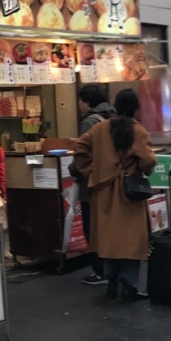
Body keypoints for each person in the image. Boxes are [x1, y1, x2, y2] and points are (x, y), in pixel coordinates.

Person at [72, 89, 156, 302]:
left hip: (103, 190)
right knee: (131, 241)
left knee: (108, 240)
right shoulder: (138, 131)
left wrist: (90, 171)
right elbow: (148, 161)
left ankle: (111, 282)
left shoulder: (99, 128)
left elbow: (79, 148)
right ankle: (130, 285)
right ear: (135, 108)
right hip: (129, 192)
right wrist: (137, 168)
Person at [71, 84, 114, 285]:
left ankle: (100, 271)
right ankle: (112, 269)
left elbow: (83, 153)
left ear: (86, 102)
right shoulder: (112, 116)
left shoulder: (90, 122)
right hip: (111, 181)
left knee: (93, 227)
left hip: (92, 183)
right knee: (108, 226)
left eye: (80, 100)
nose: (78, 104)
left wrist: (74, 171)